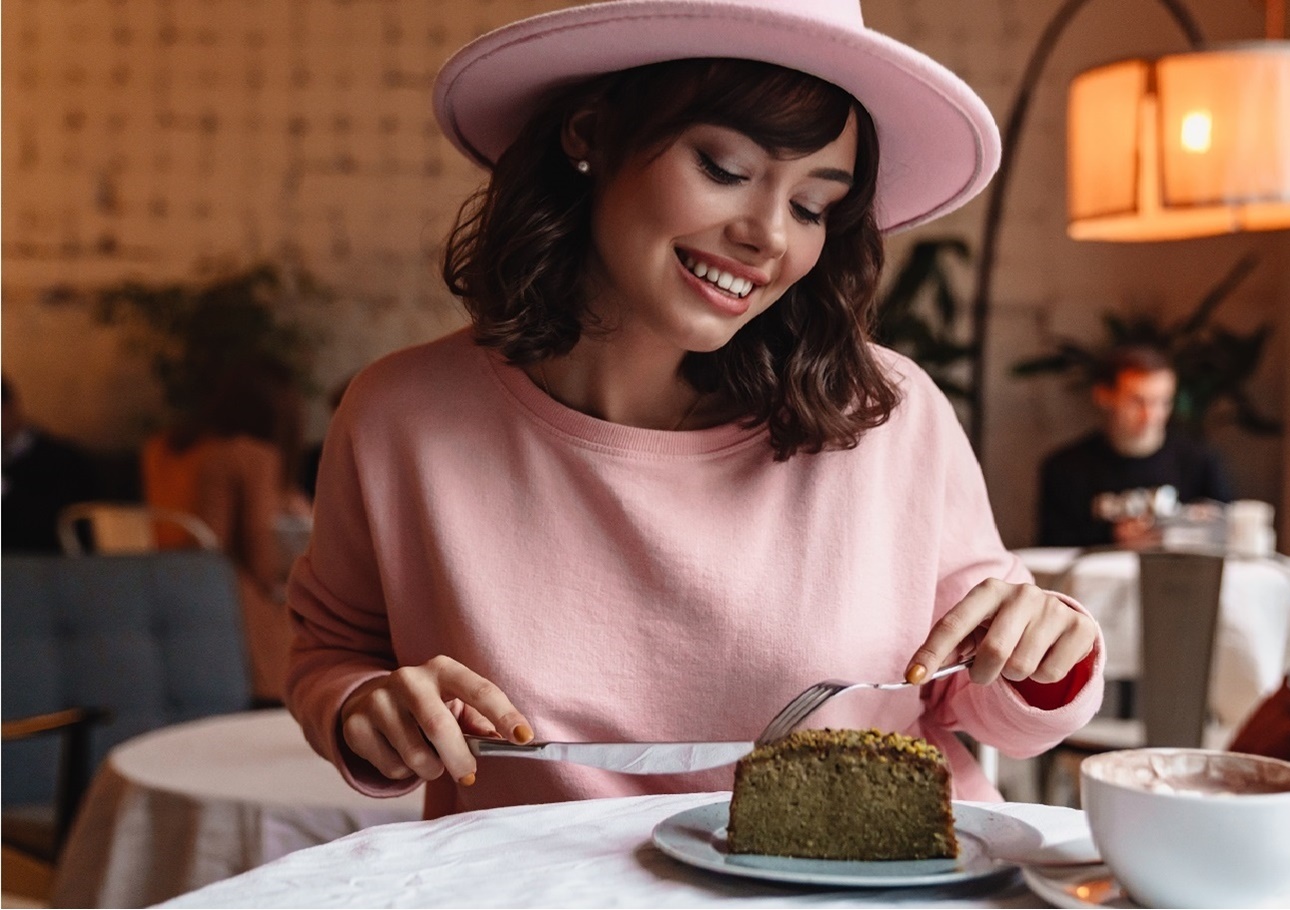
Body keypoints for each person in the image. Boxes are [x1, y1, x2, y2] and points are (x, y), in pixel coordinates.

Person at [288, 0, 1105, 819]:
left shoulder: (885, 413)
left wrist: (1046, 651)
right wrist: (367, 710)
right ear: (587, 136)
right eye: (724, 168)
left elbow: (992, 700)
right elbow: (332, 653)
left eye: (812, 206)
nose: (768, 237)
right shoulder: (402, 416)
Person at [143, 357, 312, 705]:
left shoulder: (168, 446)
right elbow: (261, 557)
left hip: (167, 581)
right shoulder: (254, 456)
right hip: (230, 601)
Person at [1037, 346, 1234, 548]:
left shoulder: (1199, 460)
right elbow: (1052, 548)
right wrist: (1113, 538)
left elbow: (1229, 533)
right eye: (1137, 401)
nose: (1150, 415)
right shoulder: (1065, 467)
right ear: (1104, 396)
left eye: (1162, 402)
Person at [2, 375, 102, 552]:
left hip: (51, 570)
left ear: (8, 408)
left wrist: (7, 491)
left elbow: (67, 530)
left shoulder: (63, 460)